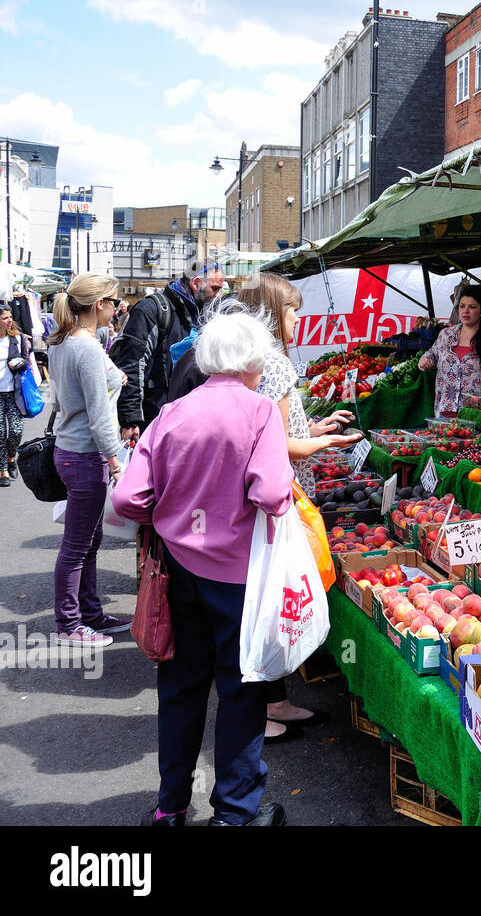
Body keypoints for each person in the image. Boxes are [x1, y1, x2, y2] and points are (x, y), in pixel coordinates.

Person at [112, 308, 294, 827]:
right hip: (237, 579)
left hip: (177, 572)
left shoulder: (172, 413)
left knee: (180, 689)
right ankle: (234, 813)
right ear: (253, 362)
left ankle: (169, 807)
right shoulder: (259, 413)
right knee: (241, 690)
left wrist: (172, 512)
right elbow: (274, 493)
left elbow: (128, 497)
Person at [237, 273, 357, 741]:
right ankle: (265, 709)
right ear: (272, 311)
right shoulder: (277, 365)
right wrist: (328, 439)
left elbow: (276, 429)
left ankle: (274, 701)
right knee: (276, 595)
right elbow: (280, 446)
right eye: (291, 311)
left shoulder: (249, 360)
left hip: (257, 496)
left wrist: (315, 424)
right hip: (280, 497)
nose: (297, 321)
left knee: (265, 594)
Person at [45, 274, 131, 646]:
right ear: (99, 305)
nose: (118, 309)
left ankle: (89, 613)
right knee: (78, 545)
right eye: (114, 302)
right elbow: (98, 416)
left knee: (87, 541)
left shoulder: (63, 342)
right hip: (85, 456)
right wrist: (115, 462)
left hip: (71, 451)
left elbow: (64, 403)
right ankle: (69, 623)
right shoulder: (87, 348)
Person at [110, 259, 225, 441]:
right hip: (154, 420)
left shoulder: (206, 315)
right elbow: (131, 363)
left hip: (190, 422)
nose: (218, 296)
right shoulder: (151, 310)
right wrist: (130, 420)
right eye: (215, 289)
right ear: (196, 283)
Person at [417, 284, 481, 416]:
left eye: (472, 307)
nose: (465, 311)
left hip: (479, 417)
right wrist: (424, 361)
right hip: (444, 415)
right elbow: (430, 355)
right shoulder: (446, 335)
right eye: (462, 306)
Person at [1, 302, 34, 487]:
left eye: (10, 317)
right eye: (5, 318)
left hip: (14, 392)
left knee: (15, 430)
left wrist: (19, 362)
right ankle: (3, 471)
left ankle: (10, 456)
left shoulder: (19, 338)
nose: (9, 320)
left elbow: (26, 360)